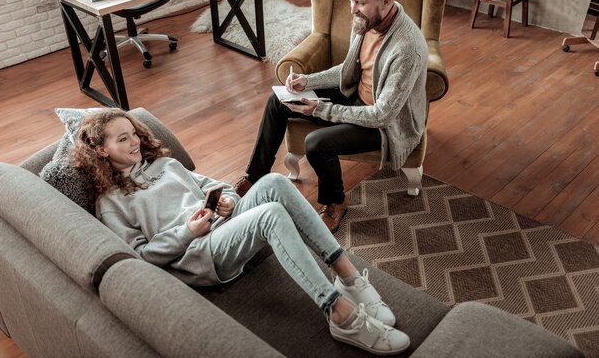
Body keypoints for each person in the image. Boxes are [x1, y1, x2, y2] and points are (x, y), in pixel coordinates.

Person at [71, 108, 411, 356]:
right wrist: (188, 232)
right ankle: (339, 313)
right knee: (271, 214)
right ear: (101, 150)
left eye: (133, 133)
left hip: (224, 228)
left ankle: (348, 276)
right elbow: (140, 257)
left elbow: (221, 188)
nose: (133, 142)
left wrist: (230, 203)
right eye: (122, 139)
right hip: (197, 256)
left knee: (275, 181)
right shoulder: (110, 202)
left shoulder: (165, 164)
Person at [235, 0, 428, 234]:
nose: (352, 9)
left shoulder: (407, 48)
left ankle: (335, 202)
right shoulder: (364, 22)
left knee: (316, 144)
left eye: (360, 2)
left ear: (386, 1)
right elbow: (349, 68)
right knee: (279, 99)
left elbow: (382, 114)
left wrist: (320, 110)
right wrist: (308, 81)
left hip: (384, 125)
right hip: (356, 96)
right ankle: (255, 177)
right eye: (351, 1)